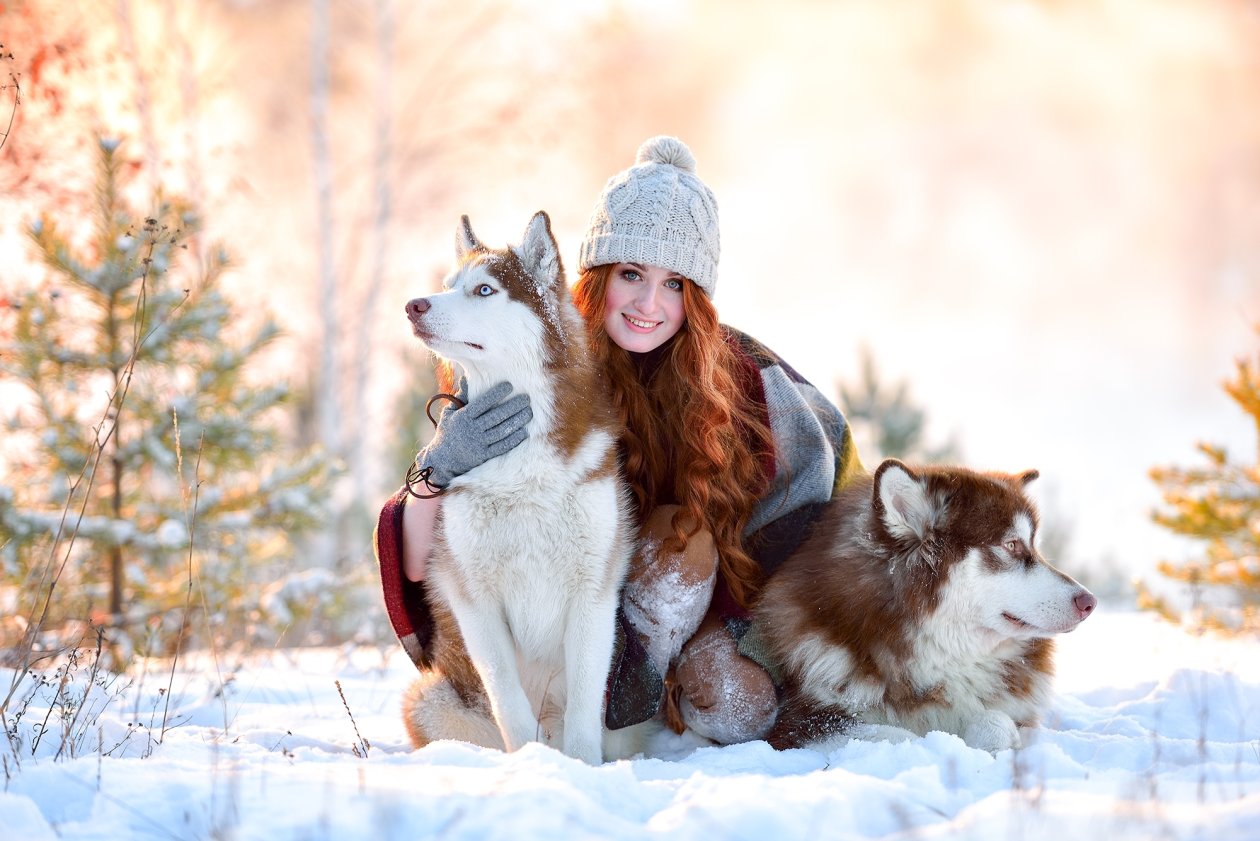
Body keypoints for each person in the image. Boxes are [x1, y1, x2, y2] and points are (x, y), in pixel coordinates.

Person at [374, 136, 865, 745]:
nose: (648, 304)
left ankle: (648, 693)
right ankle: (614, 705)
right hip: (555, 619)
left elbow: (815, 504)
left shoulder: (740, 375)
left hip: (710, 599)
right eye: (631, 274)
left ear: (697, 297)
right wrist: (438, 468)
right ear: (598, 274)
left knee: (737, 701)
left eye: (674, 285)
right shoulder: (530, 346)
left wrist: (738, 636)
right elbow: (437, 558)